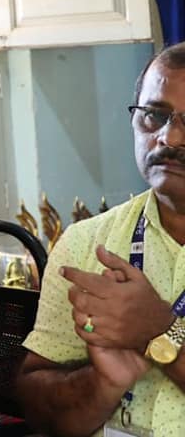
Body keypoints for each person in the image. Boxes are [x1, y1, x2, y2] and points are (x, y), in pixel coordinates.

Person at [18, 43, 185, 437]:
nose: (170, 138)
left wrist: (159, 331)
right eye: (154, 116)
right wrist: (101, 382)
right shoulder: (87, 242)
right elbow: (37, 409)